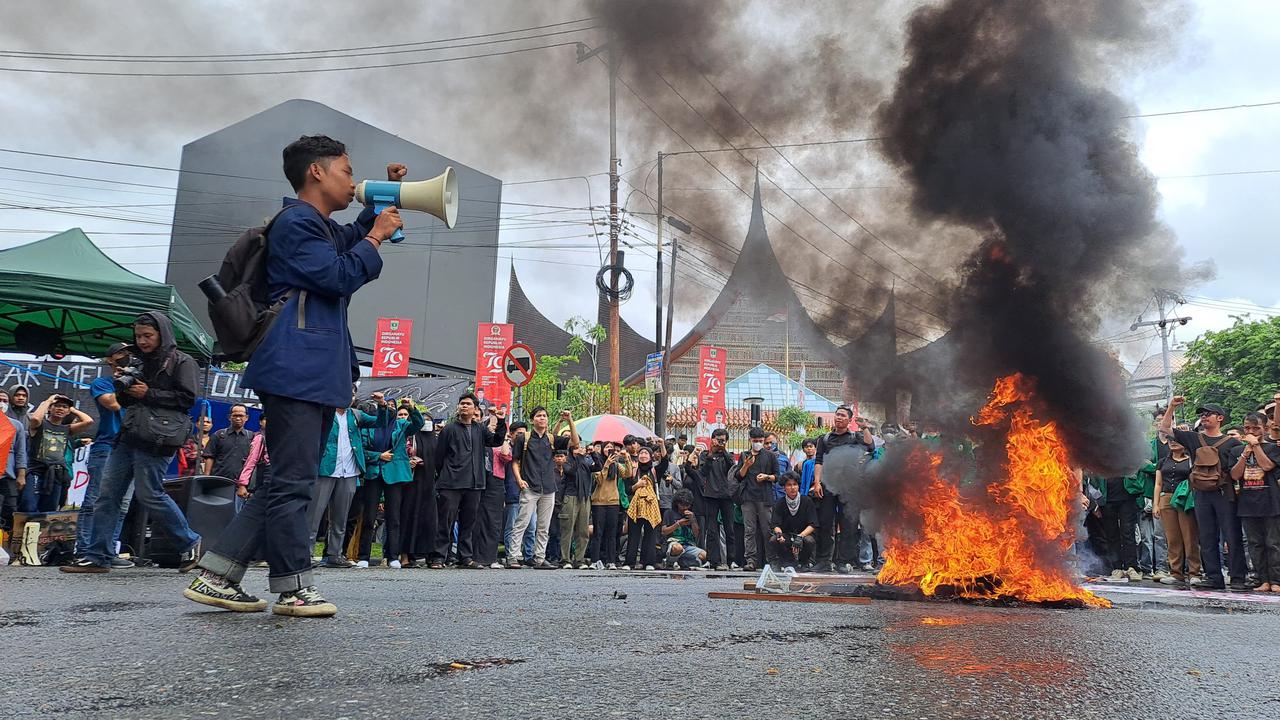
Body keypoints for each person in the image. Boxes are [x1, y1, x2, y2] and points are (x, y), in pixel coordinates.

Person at [187, 137, 405, 617]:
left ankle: (218, 576)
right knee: (293, 483)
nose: (353, 181)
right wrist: (374, 239)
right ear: (317, 173)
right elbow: (338, 274)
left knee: (286, 480)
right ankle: (293, 588)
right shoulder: (297, 224)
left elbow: (348, 243)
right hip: (296, 367)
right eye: (348, 171)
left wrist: (386, 197)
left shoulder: (317, 226)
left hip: (307, 368)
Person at [63, 312, 201, 575]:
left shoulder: (183, 361)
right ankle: (98, 555)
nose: (143, 340)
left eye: (148, 335)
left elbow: (188, 399)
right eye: (138, 336)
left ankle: (190, 542)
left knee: (150, 493)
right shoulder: (137, 363)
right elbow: (124, 403)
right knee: (107, 495)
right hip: (129, 435)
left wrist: (148, 393)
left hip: (158, 437)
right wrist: (125, 389)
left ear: (162, 334)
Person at [1160, 397, 1246, 590]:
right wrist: (1172, 407)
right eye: (1202, 414)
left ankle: (1238, 577)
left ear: (1220, 418)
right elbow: (1165, 429)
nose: (1204, 417)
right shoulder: (1193, 438)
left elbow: (1235, 473)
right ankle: (1214, 577)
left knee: (1232, 535)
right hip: (1200, 493)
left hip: (1225, 492)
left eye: (1208, 414)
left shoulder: (1233, 443)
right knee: (1207, 536)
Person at [309, 392, 388, 569]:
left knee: (341, 516)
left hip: (350, 471)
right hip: (326, 468)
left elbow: (380, 422)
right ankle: (305, 553)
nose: (348, 396)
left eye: (352, 394)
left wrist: (382, 405)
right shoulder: (324, 412)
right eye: (345, 391)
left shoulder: (356, 415)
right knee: (314, 514)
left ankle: (335, 554)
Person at [434, 393, 505, 568]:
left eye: (467, 404)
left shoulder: (480, 429)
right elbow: (438, 457)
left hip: (475, 484)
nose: (464, 406)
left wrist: (501, 421)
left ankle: (465, 557)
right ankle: (438, 557)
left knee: (469, 522)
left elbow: (496, 441)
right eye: (461, 404)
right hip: (451, 484)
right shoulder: (449, 429)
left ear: (475, 409)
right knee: (445, 521)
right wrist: (446, 475)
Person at [74, 343, 131, 560]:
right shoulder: (102, 383)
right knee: (96, 499)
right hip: (107, 446)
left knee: (123, 504)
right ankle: (85, 549)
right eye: (121, 353)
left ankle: (108, 551)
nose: (127, 356)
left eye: (130, 354)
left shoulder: (139, 383)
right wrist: (124, 381)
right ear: (110, 359)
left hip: (131, 448)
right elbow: (113, 404)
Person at [358, 402, 423, 568]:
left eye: (392, 407)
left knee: (393, 517)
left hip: (394, 474)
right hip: (374, 473)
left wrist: (412, 408)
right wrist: (379, 456)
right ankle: (364, 556)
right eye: (386, 407)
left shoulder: (401, 424)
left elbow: (418, 424)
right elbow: (361, 450)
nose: (390, 410)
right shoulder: (370, 426)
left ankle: (393, 556)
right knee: (369, 517)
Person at [508, 407, 574, 569]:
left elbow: (575, 442)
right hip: (530, 485)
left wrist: (569, 420)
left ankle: (539, 557)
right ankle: (513, 556)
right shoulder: (524, 438)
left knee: (544, 525)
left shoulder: (551, 439)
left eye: (544, 416)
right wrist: (519, 479)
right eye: (538, 416)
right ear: (532, 420)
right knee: (522, 522)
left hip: (549, 487)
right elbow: (515, 461)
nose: (542, 418)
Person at [812, 406, 874, 573]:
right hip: (828, 485)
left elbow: (871, 447)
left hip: (849, 487)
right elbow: (819, 461)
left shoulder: (855, 437)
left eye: (842, 415)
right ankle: (824, 560)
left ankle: (844, 561)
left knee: (849, 525)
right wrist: (817, 483)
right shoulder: (824, 439)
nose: (838, 417)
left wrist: (865, 427)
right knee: (825, 523)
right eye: (837, 414)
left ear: (848, 420)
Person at [1227, 409, 1280, 592]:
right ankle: (1262, 579)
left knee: (1273, 543)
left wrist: (1256, 447)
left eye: (1255, 428)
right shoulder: (1236, 450)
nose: (1251, 432)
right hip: (1247, 503)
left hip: (1270, 502)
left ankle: (1276, 580)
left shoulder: (1273, 448)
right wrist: (1246, 452)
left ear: (1265, 428)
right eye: (1247, 428)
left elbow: (1267, 466)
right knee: (1255, 544)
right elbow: (1234, 475)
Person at [23, 394, 94, 513]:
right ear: (50, 408)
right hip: (36, 471)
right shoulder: (40, 425)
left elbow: (89, 421)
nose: (60, 408)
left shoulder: (67, 429)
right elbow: (35, 419)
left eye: (64, 407)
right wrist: (49, 400)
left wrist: (72, 409)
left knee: (49, 509)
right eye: (57, 406)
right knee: (28, 505)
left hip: (57, 474)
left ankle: (42, 531)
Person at [1153, 438, 1204, 586]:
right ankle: (1176, 573)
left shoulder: (1191, 460)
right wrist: (1156, 504)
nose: (1172, 442)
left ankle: (1194, 572)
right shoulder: (1162, 461)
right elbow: (1158, 484)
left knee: (1189, 536)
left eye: (1176, 440)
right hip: (1166, 498)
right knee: (1172, 538)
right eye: (1170, 440)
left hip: (1184, 498)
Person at [734, 426, 779, 572]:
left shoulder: (770, 456)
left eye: (760, 441)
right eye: (755, 441)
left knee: (767, 530)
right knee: (749, 530)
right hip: (748, 497)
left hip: (765, 497)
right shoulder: (744, 455)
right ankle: (751, 560)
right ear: (750, 440)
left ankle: (771, 560)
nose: (758, 443)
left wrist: (766, 477)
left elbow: (778, 476)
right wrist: (746, 465)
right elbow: (739, 476)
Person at [401, 410, 438, 568]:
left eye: (429, 420)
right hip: (411, 484)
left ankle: (428, 554)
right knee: (409, 518)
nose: (426, 422)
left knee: (429, 521)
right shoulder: (410, 438)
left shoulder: (436, 440)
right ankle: (405, 555)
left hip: (430, 486)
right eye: (423, 420)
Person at [474, 422, 513, 569]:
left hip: (496, 481)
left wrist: (503, 438)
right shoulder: (479, 440)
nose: (493, 427)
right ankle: (473, 556)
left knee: (493, 521)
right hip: (478, 479)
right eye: (491, 425)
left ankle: (490, 557)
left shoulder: (500, 442)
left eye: (497, 425)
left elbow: (506, 457)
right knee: (477, 518)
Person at [699, 428, 737, 571]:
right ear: (712, 439)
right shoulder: (705, 455)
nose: (720, 442)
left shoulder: (729, 455)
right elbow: (703, 472)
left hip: (727, 495)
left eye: (723, 440)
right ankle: (712, 560)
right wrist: (711, 453)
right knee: (712, 529)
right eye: (717, 439)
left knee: (729, 528)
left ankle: (732, 560)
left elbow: (732, 468)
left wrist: (724, 451)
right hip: (711, 495)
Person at [1096, 470, 1143, 582]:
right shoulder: (1100, 457)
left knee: (1128, 533)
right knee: (1111, 535)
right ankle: (1116, 568)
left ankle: (1131, 567)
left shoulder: (1126, 454)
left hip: (1127, 498)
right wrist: (1097, 501)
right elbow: (1094, 481)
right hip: (1107, 500)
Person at [588, 441, 627, 569]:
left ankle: (611, 561)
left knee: (612, 533)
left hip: (613, 502)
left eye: (611, 448)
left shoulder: (616, 465)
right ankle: (595, 560)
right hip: (599, 502)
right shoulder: (597, 462)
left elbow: (627, 474)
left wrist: (626, 459)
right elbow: (599, 480)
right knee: (598, 533)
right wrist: (606, 465)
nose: (609, 449)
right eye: (607, 447)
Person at [559, 441, 598, 569]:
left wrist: (593, 453)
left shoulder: (586, 462)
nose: (579, 450)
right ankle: (565, 559)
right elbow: (572, 471)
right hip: (571, 496)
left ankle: (579, 559)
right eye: (575, 448)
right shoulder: (567, 462)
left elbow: (598, 466)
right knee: (567, 529)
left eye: (580, 448)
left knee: (583, 530)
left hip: (585, 498)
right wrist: (580, 457)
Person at [769, 473, 818, 571]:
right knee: (774, 539)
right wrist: (779, 534)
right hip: (787, 535)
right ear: (784, 488)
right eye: (789, 485)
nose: (792, 488)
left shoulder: (807, 501)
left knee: (809, 540)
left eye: (795, 484)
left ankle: (804, 563)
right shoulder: (780, 503)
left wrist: (800, 536)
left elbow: (813, 524)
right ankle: (787, 562)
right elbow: (775, 524)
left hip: (803, 535)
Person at [624, 446, 662, 570]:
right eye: (641, 453)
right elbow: (628, 489)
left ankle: (648, 562)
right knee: (633, 534)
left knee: (650, 534)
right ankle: (629, 562)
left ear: (651, 456)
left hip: (651, 506)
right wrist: (637, 485)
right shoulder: (634, 470)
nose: (643, 455)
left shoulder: (655, 470)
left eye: (646, 453)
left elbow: (665, 461)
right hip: (636, 506)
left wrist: (661, 445)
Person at [1, 389, 28, 536]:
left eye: (5, 401)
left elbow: (21, 452)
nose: (2, 404)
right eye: (0, 400)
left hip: (8, 475)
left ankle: (6, 549)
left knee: (10, 510)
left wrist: (21, 475)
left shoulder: (16, 425)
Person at [202, 404, 253, 480]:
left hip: (240, 483)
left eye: (241, 416)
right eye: (235, 415)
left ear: (246, 418)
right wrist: (206, 478)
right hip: (218, 480)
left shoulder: (251, 437)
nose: (238, 418)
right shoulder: (218, 435)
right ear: (229, 417)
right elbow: (209, 457)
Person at [661, 489, 705, 569]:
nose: (684, 507)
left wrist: (693, 520)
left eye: (687, 505)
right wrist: (678, 524)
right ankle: (670, 562)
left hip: (688, 544)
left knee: (704, 555)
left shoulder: (692, 515)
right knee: (678, 548)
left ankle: (684, 562)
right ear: (677, 503)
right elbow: (664, 532)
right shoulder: (669, 513)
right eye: (682, 505)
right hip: (674, 542)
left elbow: (696, 534)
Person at [236, 415, 270, 514]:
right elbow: (251, 461)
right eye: (266, 419)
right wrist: (242, 484)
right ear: (260, 422)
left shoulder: (277, 438)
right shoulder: (260, 438)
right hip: (260, 482)